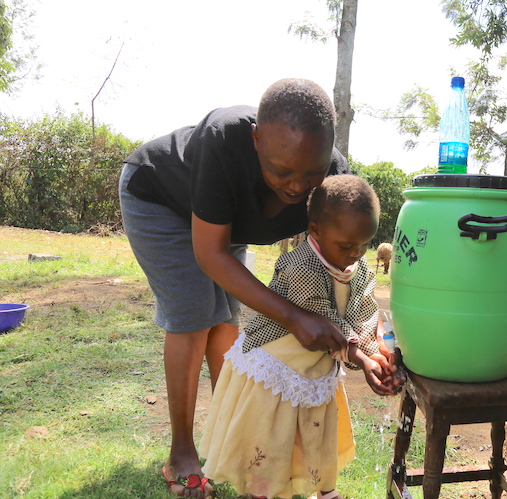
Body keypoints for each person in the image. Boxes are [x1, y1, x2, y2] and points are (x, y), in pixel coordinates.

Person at [119, 78, 358, 499]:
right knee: (195, 317)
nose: (298, 187)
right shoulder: (225, 138)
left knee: (228, 326)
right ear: (256, 140)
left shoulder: (335, 180)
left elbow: (333, 268)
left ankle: (232, 438)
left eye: (311, 174)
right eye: (281, 170)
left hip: (223, 223)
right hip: (160, 199)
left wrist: (362, 340)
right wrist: (295, 317)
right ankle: (181, 453)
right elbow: (211, 254)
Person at [199, 174, 400, 499]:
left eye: (365, 244)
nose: (356, 253)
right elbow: (324, 322)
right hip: (277, 366)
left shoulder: (359, 266)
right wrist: (361, 358)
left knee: (314, 431)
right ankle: (263, 491)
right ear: (315, 231)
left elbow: (363, 313)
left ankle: (323, 488)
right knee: (272, 438)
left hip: (315, 366)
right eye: (347, 245)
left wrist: (374, 352)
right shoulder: (302, 265)